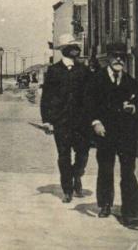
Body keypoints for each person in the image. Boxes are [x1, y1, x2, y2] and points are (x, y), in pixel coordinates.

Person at [86, 43, 138, 228]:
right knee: (105, 169)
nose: (119, 59)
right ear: (108, 58)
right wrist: (96, 122)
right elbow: (88, 106)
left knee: (128, 172)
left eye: (122, 56)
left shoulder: (131, 82)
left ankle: (132, 213)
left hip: (126, 134)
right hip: (105, 133)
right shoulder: (96, 80)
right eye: (115, 56)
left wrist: (135, 108)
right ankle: (105, 204)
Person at [40, 34, 91, 203]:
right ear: (64, 50)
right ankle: (67, 189)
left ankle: (77, 175)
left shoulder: (83, 70)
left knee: (83, 153)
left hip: (81, 122)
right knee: (64, 155)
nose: (76, 48)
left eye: (76, 46)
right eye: (72, 46)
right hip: (61, 122)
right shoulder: (54, 71)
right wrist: (46, 120)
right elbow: (46, 97)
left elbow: (90, 96)